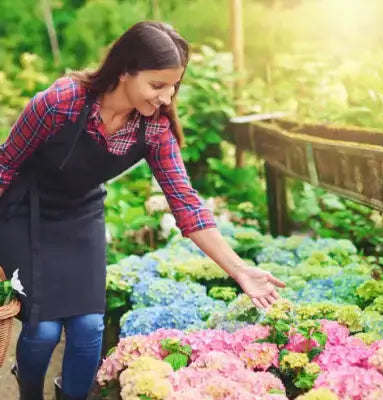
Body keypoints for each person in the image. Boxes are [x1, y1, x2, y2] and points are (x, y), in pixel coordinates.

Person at [0, 21, 285, 400]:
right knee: (44, 329)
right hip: (26, 210)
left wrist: (240, 270)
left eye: (173, 86)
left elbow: (186, 205)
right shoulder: (60, 102)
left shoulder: (153, 130)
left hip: (80, 214)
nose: (167, 97)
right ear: (124, 71)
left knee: (88, 326)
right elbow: (5, 164)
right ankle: (29, 391)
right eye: (157, 85)